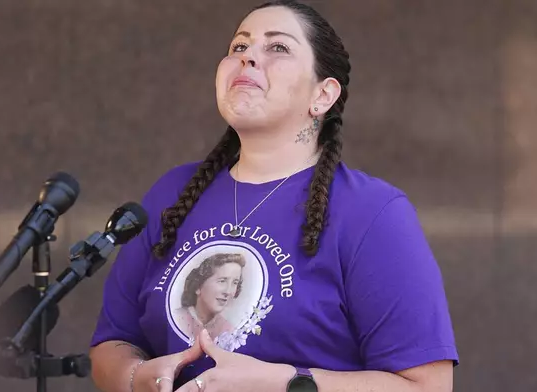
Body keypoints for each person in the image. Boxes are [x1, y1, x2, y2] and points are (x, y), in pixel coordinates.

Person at [89, 1, 459, 392]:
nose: (248, 58)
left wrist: (286, 383)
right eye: (239, 47)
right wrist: (136, 378)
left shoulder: (373, 213)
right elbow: (111, 345)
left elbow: (428, 386)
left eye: (277, 48)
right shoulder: (170, 194)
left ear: (323, 95)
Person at [173, 253, 246, 340]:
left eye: (235, 283)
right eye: (222, 281)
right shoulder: (176, 319)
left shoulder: (229, 330)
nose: (228, 291)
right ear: (198, 286)